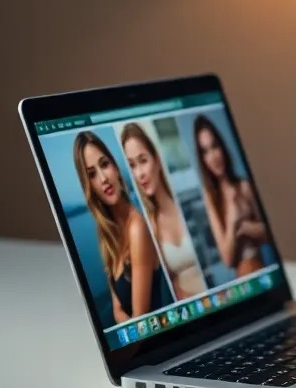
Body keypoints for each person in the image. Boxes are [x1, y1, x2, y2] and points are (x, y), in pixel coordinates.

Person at [72, 130, 169, 324]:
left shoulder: (137, 227)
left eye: (104, 164)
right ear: (88, 185)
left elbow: (141, 323)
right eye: (92, 174)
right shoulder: (107, 234)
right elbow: (117, 308)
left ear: (116, 167)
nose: (103, 179)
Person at [119, 122, 208, 300]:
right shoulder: (150, 226)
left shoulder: (189, 205)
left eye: (143, 161)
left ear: (157, 160)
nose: (139, 174)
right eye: (132, 166)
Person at [192, 114, 269, 277]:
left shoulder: (244, 186)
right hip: (243, 277)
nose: (213, 156)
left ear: (222, 147)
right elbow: (227, 259)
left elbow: (267, 233)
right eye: (205, 151)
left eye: (214, 146)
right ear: (202, 158)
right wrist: (233, 221)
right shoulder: (211, 198)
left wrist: (246, 228)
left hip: (262, 271)